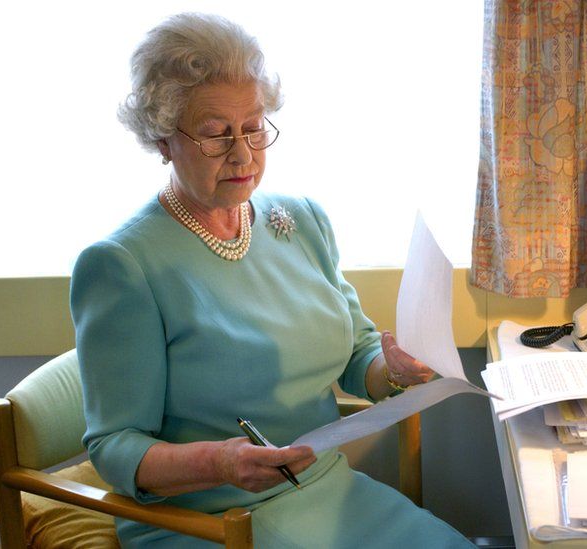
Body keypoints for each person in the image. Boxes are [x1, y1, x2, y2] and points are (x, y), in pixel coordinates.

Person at [70, 12, 473, 548]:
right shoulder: (122, 265)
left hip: (323, 489)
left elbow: (356, 353)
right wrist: (221, 462)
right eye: (216, 136)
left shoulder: (301, 219)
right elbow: (114, 446)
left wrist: (392, 369)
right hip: (212, 518)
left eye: (255, 128)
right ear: (164, 139)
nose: (243, 154)